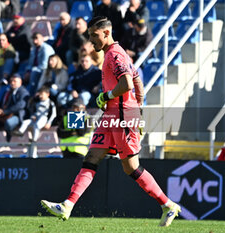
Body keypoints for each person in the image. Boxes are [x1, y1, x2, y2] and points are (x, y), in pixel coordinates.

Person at [41, 16, 181, 227]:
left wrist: (108, 98)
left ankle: (168, 205)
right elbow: (137, 81)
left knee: (131, 167)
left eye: (94, 36)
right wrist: (138, 108)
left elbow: (126, 83)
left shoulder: (115, 55)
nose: (91, 41)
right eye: (89, 36)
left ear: (106, 33)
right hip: (114, 115)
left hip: (123, 115)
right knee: (92, 156)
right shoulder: (115, 53)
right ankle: (67, 205)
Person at [0, 73, 29, 142]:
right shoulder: (7, 91)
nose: (12, 83)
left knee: (9, 123)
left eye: (15, 81)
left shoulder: (23, 92)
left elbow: (21, 105)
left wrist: (5, 111)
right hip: (3, 115)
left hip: (17, 115)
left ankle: (8, 141)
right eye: (11, 81)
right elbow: (0, 103)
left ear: (20, 82)